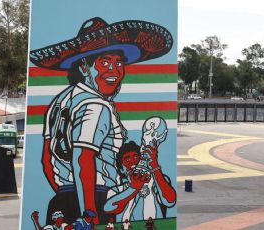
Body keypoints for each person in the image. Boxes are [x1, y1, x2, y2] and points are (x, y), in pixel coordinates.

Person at [29, 17, 173, 225]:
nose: (113, 70)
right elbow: (83, 158)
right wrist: (89, 212)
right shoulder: (96, 105)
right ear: (84, 66)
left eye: (118, 62)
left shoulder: (59, 102)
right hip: (94, 200)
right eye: (104, 62)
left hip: (62, 200)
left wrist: (67, 196)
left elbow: (46, 160)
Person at [105, 140, 176, 221]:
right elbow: (110, 209)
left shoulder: (156, 182)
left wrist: (154, 166)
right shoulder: (116, 190)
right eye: (127, 159)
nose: (132, 161)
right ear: (121, 169)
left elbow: (170, 201)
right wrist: (134, 188)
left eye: (136, 157)